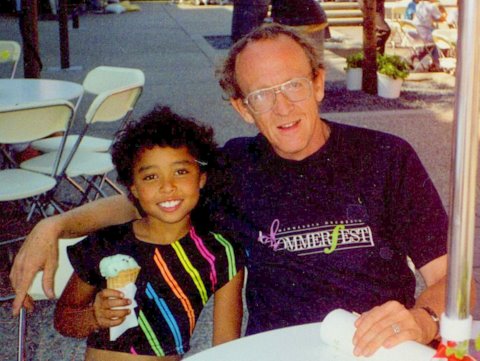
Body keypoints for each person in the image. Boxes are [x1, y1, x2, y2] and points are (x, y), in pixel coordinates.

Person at [11, 24, 454, 357]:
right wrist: (56, 224)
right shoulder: (235, 168)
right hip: (279, 350)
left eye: (293, 85)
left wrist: (422, 318)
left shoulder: (386, 157)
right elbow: (147, 200)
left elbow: (451, 279)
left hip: (378, 348)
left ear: (318, 83)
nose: (282, 107)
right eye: (261, 95)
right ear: (243, 108)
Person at [53, 106, 245, 360]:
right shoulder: (106, 244)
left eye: (181, 171)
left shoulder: (221, 253)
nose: (168, 186)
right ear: (133, 187)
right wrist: (93, 317)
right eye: (151, 176)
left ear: (201, 178)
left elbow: (226, 349)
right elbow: (63, 319)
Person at [413, 0, 447, 70]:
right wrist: (444, 12)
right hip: (425, 35)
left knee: (432, 44)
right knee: (443, 41)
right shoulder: (431, 6)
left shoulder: (419, 5)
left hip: (418, 35)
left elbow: (428, 18)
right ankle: (437, 64)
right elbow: (442, 19)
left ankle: (416, 56)